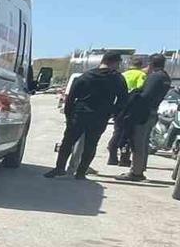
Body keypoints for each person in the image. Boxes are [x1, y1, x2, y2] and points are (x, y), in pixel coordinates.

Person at [45, 52, 129, 179]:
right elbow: (123, 100)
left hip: (80, 114)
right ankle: (81, 172)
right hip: (100, 116)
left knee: (67, 142)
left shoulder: (87, 75)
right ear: (115, 62)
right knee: (91, 145)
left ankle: (59, 168)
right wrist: (112, 112)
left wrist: (69, 115)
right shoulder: (117, 79)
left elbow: (71, 97)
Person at [118, 54, 174, 182]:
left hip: (144, 114)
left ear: (151, 63)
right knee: (143, 143)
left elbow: (145, 96)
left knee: (138, 143)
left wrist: (134, 96)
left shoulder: (155, 77)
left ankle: (136, 172)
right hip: (152, 112)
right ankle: (139, 169)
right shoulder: (165, 77)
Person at [108, 58, 147, 166]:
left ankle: (112, 156)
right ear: (141, 65)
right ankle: (124, 159)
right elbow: (140, 88)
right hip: (131, 107)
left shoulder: (123, 74)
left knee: (117, 131)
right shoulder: (141, 75)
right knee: (128, 134)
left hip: (119, 106)